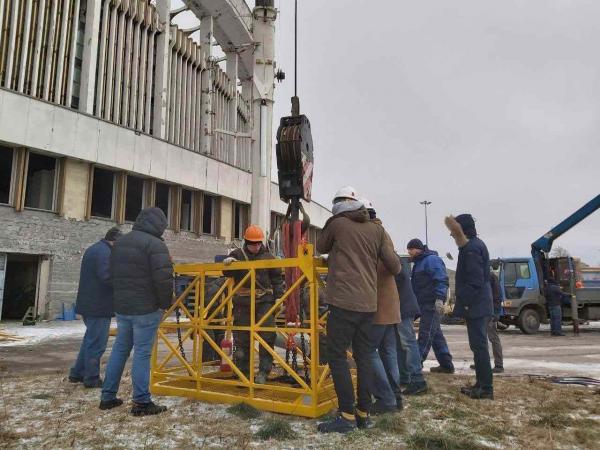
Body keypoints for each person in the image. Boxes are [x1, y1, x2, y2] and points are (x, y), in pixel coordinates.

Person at [316, 187, 401, 433]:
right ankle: (363, 414)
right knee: (364, 357)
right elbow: (395, 266)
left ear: (339, 204)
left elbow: (321, 245)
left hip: (343, 302)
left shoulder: (338, 223)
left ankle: (346, 416)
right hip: (368, 304)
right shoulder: (377, 229)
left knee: (337, 356)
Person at [100, 207, 173, 416]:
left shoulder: (121, 242)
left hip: (123, 307)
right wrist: (163, 304)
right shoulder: (155, 244)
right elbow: (164, 279)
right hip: (146, 308)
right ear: (159, 225)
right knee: (142, 353)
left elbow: (111, 274)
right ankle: (141, 402)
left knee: (120, 349)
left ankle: (107, 396)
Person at [223, 224, 284, 384]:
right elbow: (227, 273)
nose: (255, 246)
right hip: (243, 302)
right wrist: (228, 263)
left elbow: (277, 279)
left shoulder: (269, 257)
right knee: (242, 337)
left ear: (261, 242)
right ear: (246, 241)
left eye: (257, 243)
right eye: (252, 243)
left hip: (264, 301)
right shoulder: (238, 255)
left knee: (267, 336)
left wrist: (279, 297)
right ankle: (243, 374)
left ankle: (263, 372)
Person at [445, 214, 494, 400]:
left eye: (453, 231)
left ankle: (486, 389)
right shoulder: (473, 245)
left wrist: (462, 302)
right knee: (478, 347)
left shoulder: (471, 249)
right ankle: (482, 384)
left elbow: (474, 282)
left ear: (462, 230)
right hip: (479, 304)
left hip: (477, 306)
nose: (452, 235)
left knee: (479, 347)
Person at [361, 199, 403, 414]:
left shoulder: (373, 234)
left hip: (378, 303)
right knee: (388, 353)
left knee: (368, 351)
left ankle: (386, 400)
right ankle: (395, 397)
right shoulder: (383, 232)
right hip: (390, 304)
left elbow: (385, 266)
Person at [69, 227, 122, 388]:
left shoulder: (95, 249)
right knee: (97, 343)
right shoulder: (104, 253)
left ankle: (77, 373)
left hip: (90, 304)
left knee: (89, 340)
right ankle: (91, 378)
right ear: (115, 241)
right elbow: (107, 276)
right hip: (98, 306)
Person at [406, 238, 454, 374]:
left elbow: (441, 279)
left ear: (417, 248)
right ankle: (447, 365)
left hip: (432, 304)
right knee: (436, 336)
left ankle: (415, 367)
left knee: (425, 335)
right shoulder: (419, 262)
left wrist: (440, 299)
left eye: (410, 250)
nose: (409, 253)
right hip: (423, 304)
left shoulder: (431, 260)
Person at [395, 262, 428, 395]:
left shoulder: (393, 263)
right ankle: (406, 377)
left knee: (408, 343)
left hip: (403, 309)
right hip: (402, 309)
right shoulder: (396, 262)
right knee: (401, 344)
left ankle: (418, 380)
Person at [471, 268, 504, 373]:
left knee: (493, 338)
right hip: (479, 312)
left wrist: (496, 312)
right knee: (479, 339)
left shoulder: (491, 276)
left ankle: (499, 365)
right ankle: (481, 363)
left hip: (490, 312)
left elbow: (498, 295)